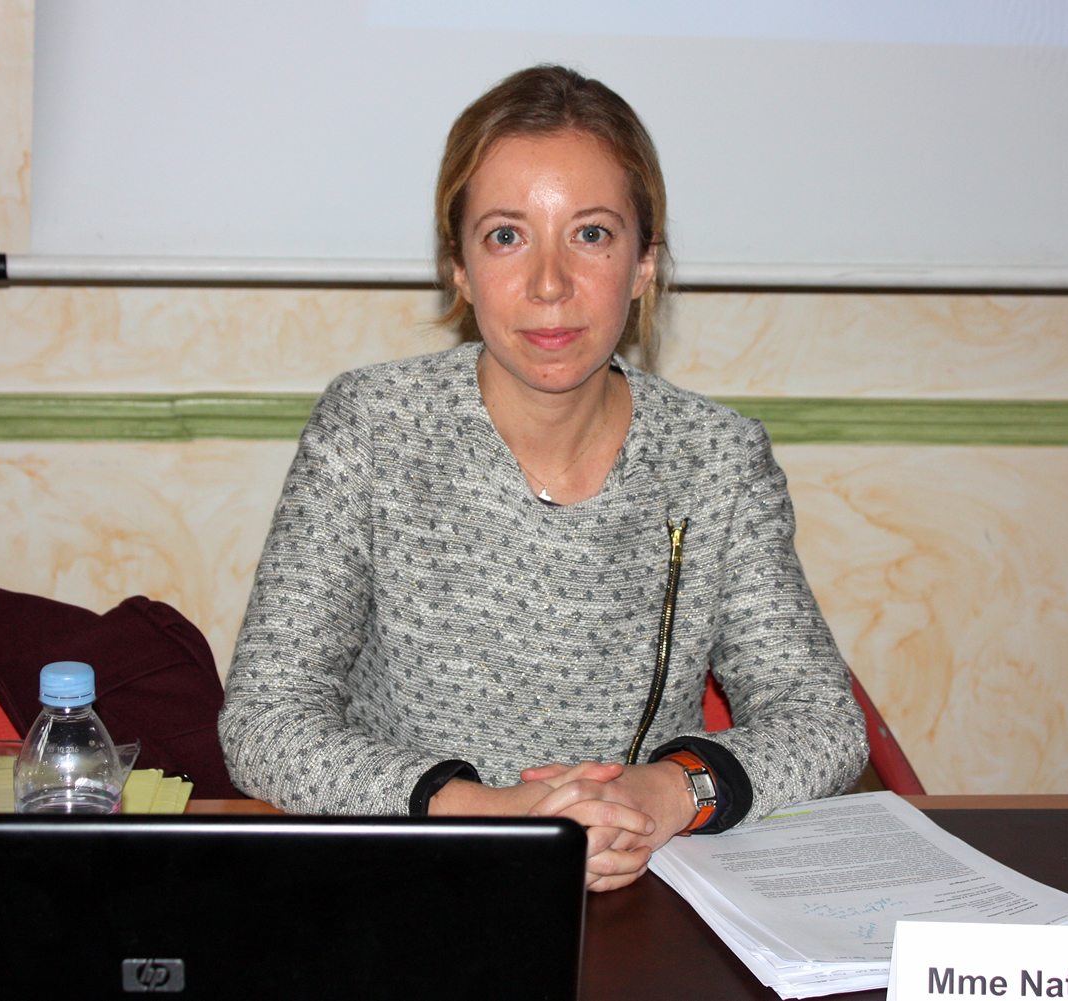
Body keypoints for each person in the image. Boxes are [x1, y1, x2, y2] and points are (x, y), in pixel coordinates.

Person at [218, 65, 867, 891]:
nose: (550, 284)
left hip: (644, 885)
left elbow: (822, 721)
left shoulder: (717, 457)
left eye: (590, 234)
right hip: (415, 880)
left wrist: (665, 793)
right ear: (459, 266)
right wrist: (486, 813)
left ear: (644, 263)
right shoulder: (371, 428)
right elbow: (266, 720)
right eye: (506, 236)